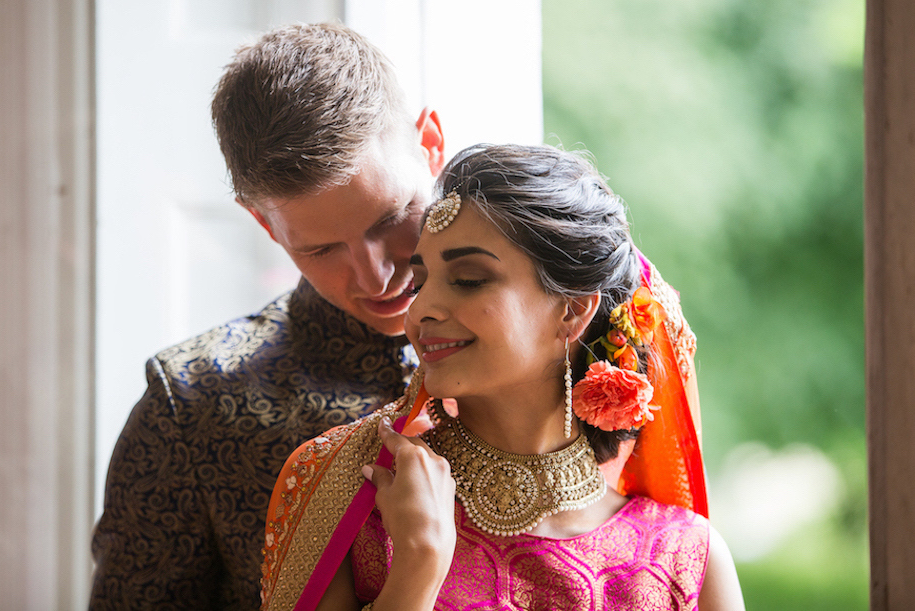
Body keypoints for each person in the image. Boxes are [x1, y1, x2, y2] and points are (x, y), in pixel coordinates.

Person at [260, 144, 745, 610]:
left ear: (572, 311)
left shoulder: (684, 560)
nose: (420, 310)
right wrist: (417, 570)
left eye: (469, 280)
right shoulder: (359, 498)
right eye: (420, 281)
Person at [89, 23, 444, 608]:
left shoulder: (561, 341)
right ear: (264, 224)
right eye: (322, 249)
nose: (375, 276)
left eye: (390, 218)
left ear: (430, 144)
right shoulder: (191, 406)